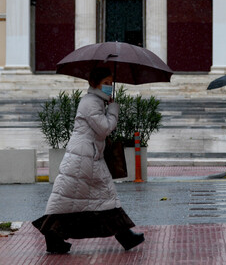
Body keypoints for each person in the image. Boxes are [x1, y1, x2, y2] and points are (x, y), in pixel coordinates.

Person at [33, 67, 145, 254]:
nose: (109, 86)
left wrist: (109, 108)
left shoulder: (96, 101)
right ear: (94, 83)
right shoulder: (91, 102)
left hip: (89, 156)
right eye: (106, 83)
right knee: (72, 199)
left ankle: (124, 236)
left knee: (75, 199)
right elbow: (104, 128)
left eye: (111, 83)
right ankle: (124, 236)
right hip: (83, 157)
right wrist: (114, 110)